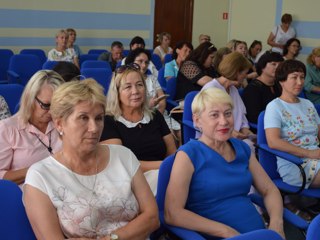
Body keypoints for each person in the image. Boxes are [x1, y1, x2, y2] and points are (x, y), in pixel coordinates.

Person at [24, 79, 159, 239]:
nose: (94, 128)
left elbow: (152, 218)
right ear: (59, 123)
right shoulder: (41, 176)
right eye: (83, 118)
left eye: (99, 118)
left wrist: (112, 238)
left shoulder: (123, 156)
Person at [165, 87, 285, 239]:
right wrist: (225, 231)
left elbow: (269, 190)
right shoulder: (188, 154)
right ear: (197, 120)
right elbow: (172, 213)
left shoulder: (241, 148)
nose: (224, 121)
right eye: (214, 115)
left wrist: (276, 224)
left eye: (228, 113)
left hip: (259, 234)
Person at [100, 64, 176, 172]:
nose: (135, 91)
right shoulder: (108, 121)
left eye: (139, 85)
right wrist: (164, 165)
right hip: (129, 180)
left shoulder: (154, 115)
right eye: (128, 87)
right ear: (117, 92)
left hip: (163, 174)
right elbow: (121, 163)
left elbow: (172, 150)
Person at [0, 70, 64, 185]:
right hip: (25, 196)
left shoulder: (63, 122)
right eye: (46, 105)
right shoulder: (8, 128)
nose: (52, 112)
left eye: (58, 106)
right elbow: (1, 177)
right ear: (30, 99)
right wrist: (39, 169)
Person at [265, 59, 320, 189]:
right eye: (294, 77)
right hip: (295, 164)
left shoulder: (308, 104)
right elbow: (273, 142)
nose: (300, 82)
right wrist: (309, 153)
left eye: (302, 77)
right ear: (282, 81)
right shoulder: (274, 107)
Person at [125, 48, 182, 146]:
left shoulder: (152, 78)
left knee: (181, 133)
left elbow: (162, 99)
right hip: (142, 116)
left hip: (159, 114)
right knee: (171, 138)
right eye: (140, 61)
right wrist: (149, 106)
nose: (143, 65)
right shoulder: (126, 81)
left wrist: (158, 118)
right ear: (132, 62)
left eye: (146, 62)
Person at [202, 52, 255, 144]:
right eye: (245, 73)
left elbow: (241, 116)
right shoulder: (211, 89)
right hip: (214, 139)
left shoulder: (233, 90)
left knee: (251, 145)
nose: (246, 76)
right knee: (248, 148)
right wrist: (230, 132)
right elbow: (207, 122)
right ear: (236, 72)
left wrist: (246, 131)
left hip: (234, 138)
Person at [242, 51, 284, 124]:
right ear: (262, 67)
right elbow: (254, 117)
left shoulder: (278, 84)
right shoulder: (253, 88)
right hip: (263, 126)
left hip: (279, 122)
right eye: (273, 64)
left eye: (280, 65)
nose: (278, 67)